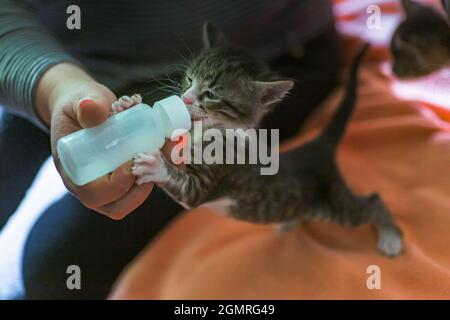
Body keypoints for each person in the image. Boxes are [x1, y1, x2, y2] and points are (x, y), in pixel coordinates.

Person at [0, 0, 341, 299]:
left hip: (273, 55)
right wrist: (56, 88)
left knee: (55, 265)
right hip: (63, 58)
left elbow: (194, 190)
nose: (189, 98)